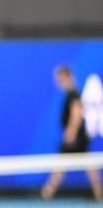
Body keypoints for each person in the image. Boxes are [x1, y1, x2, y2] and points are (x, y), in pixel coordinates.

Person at [40, 64, 103, 200]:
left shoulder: (73, 94)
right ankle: (98, 192)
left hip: (75, 138)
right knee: (83, 164)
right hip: (77, 137)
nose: (57, 81)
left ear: (66, 77)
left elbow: (76, 113)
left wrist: (71, 133)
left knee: (64, 164)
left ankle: (47, 193)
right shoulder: (71, 94)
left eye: (59, 78)